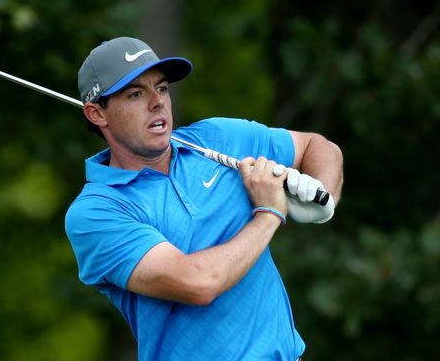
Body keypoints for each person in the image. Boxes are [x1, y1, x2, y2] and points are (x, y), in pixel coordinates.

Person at [65, 37, 343, 361]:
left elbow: (318, 146)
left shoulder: (218, 138)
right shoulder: (96, 211)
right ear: (97, 113)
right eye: (136, 94)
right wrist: (269, 214)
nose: (157, 102)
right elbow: (198, 283)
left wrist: (322, 196)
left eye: (163, 88)